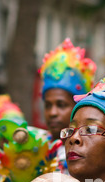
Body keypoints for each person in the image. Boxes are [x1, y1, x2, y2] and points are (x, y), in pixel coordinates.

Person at [39, 38, 97, 172]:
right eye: (48, 105)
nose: (52, 113)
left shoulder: (94, 151)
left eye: (61, 105)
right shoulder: (33, 148)